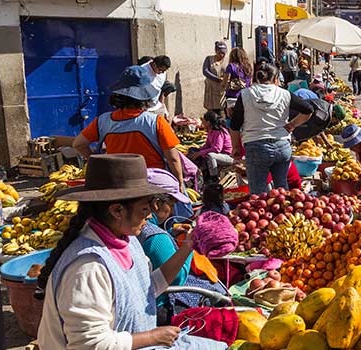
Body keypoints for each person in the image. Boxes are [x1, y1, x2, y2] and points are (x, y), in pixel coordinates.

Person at [35, 154, 225, 349]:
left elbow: (145, 289)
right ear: (117, 211)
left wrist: (188, 246)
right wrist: (153, 336)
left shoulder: (127, 240)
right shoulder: (88, 267)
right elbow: (89, 344)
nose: (149, 215)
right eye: (144, 209)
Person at [73, 66, 185, 190]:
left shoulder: (102, 121)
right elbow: (173, 158)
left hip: (117, 183)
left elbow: (78, 144)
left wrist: (97, 161)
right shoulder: (156, 122)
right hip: (151, 184)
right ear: (146, 96)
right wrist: (179, 182)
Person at [229, 62, 315, 194]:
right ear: (276, 79)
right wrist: (292, 124)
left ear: (257, 78)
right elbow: (308, 109)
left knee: (258, 195)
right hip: (282, 147)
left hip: (256, 148)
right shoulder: (284, 93)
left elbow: (235, 124)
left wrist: (235, 147)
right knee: (282, 191)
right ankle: (285, 213)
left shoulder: (245, 94)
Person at [143, 169, 194, 324]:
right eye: (171, 204)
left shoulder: (134, 230)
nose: (172, 210)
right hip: (159, 309)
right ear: (157, 204)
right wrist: (189, 244)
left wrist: (170, 233)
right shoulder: (155, 237)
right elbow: (177, 278)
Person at [188, 111, 233, 182]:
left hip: (227, 156)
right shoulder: (210, 131)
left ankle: (213, 178)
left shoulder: (218, 131)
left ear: (208, 122)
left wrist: (200, 153)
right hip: (218, 154)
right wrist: (197, 151)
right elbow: (207, 145)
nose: (202, 124)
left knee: (210, 155)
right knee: (193, 150)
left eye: (203, 121)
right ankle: (202, 174)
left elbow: (217, 149)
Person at [221, 48, 253, 117]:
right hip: (245, 97)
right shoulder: (248, 67)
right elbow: (250, 83)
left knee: (232, 121)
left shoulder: (231, 66)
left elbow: (225, 83)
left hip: (232, 98)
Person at [203, 41, 228, 113]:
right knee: (211, 111)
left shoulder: (226, 61)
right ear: (216, 51)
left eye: (224, 53)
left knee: (221, 110)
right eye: (221, 53)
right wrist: (218, 79)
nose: (223, 55)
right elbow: (205, 71)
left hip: (221, 90)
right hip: (211, 89)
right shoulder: (209, 59)